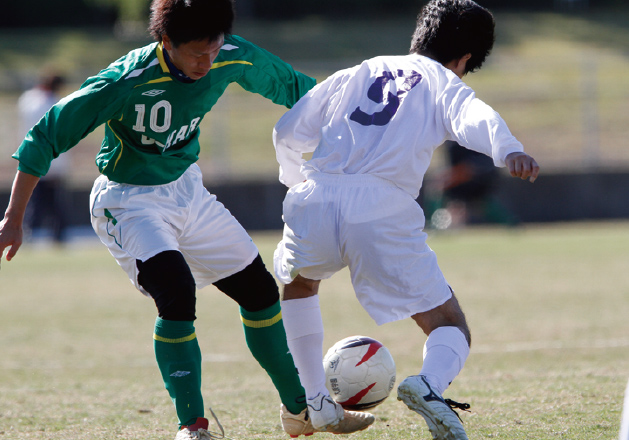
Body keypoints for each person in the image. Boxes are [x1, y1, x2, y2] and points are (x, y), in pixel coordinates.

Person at [0, 1, 374, 439]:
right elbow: (46, 135)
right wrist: (14, 218)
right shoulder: (126, 79)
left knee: (258, 292)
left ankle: (300, 410)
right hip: (128, 201)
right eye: (196, 53)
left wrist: (356, 127)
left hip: (188, 192)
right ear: (166, 42)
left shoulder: (230, 53)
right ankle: (192, 426)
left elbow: (298, 91)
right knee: (176, 292)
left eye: (213, 49)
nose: (207, 62)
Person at [272, 1, 540, 439]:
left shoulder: (360, 70)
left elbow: (287, 131)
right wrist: (508, 148)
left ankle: (315, 400)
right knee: (447, 321)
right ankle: (429, 385)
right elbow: (473, 116)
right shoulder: (441, 81)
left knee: (300, 285)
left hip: (315, 195)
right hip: (379, 206)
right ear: (465, 59)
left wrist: (296, 180)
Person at [18, 72, 71, 243]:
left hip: (30, 158)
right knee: (51, 202)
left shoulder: (28, 99)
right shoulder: (52, 103)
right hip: (51, 161)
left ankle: (29, 232)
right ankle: (57, 234)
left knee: (35, 200)